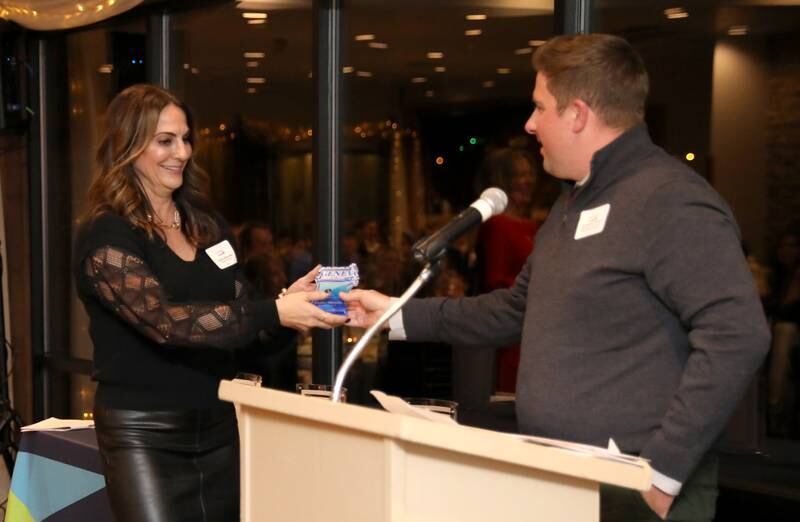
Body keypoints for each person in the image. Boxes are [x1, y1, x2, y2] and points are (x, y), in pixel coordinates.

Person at [342, 34, 770, 522]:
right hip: (564, 477)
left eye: (540, 107)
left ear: (578, 114)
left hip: (635, 491)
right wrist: (394, 314)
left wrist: (663, 473)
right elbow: (515, 309)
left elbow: (738, 335)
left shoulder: (670, 200)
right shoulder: (575, 202)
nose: (529, 124)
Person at [73, 84, 347, 522]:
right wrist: (273, 311)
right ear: (128, 146)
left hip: (218, 427)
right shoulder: (108, 236)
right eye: (165, 140)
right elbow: (168, 323)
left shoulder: (206, 224)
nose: (180, 152)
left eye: (185, 139)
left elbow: (238, 322)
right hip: (144, 434)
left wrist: (291, 311)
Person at [476, 148, 540, 392]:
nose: (527, 182)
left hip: (533, 329)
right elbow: (495, 282)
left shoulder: (533, 225)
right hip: (511, 332)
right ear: (504, 181)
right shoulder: (497, 226)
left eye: (530, 174)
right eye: (519, 176)